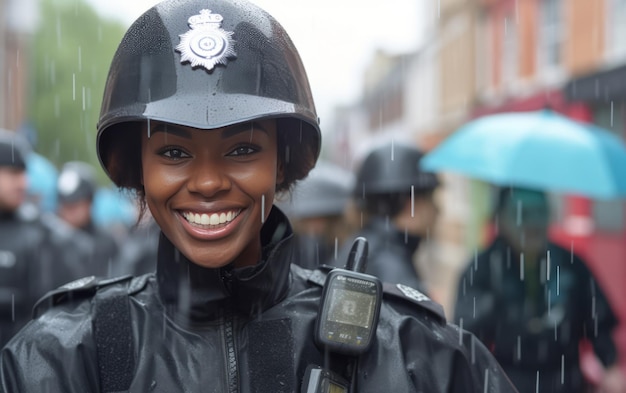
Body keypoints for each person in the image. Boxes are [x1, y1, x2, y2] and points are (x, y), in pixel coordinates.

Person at [0, 1, 518, 392]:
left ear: (282, 161)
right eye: (175, 153)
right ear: (138, 169)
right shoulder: (61, 357)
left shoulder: (407, 350)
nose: (207, 183)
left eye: (242, 148)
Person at [454, 186, 625, 393]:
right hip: (507, 381)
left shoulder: (570, 264)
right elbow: (466, 337)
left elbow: (599, 323)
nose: (533, 223)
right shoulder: (484, 269)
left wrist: (610, 366)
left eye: (540, 213)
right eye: (522, 214)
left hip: (564, 381)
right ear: (502, 219)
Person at [0, 129, 86, 347]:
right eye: (12, 173)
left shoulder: (45, 236)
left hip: (21, 367)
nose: (23, 183)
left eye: (23, 173)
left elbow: (64, 318)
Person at [332, 142, 441, 295]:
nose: (438, 210)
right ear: (410, 205)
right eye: (431, 199)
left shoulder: (363, 247)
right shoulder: (390, 265)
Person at [276, 160, 355, 269]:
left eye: (321, 218)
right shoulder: (288, 242)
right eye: (309, 219)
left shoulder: (346, 246)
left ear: (334, 220)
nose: (314, 226)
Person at [56, 161, 121, 277]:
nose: (68, 213)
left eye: (74, 206)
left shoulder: (105, 243)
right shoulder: (50, 240)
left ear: (89, 203)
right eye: (65, 206)